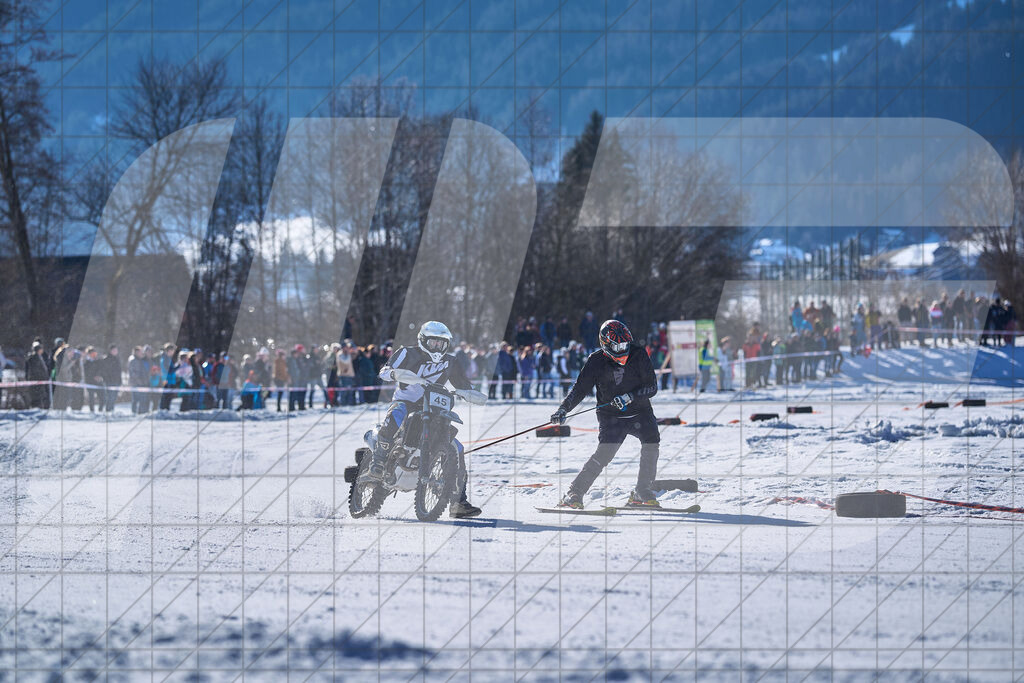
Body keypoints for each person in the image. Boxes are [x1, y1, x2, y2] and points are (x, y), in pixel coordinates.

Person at [361, 321, 485, 519]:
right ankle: (378, 462)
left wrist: (471, 393)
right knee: (398, 412)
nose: (437, 347)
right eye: (433, 343)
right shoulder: (407, 353)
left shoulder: (451, 361)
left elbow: (463, 383)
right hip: (406, 402)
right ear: (423, 340)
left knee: (457, 448)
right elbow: (385, 370)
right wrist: (393, 373)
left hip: (434, 407)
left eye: (441, 344)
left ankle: (458, 501)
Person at [551, 320, 662, 509]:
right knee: (604, 455)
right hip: (611, 416)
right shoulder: (596, 361)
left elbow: (652, 387)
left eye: (626, 345)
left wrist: (629, 397)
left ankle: (642, 491)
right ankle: (574, 493)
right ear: (606, 345)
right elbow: (580, 389)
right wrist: (564, 409)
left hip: (640, 411)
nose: (623, 350)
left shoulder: (638, 353)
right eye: (618, 346)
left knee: (652, 442)